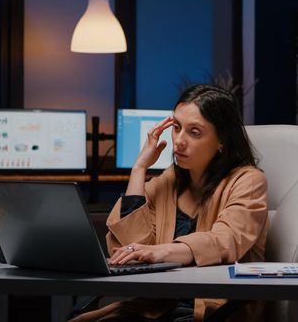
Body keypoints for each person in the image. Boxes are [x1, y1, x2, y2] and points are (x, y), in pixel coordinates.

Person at [71, 85, 268, 322]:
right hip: (156, 305)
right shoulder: (169, 179)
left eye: (194, 132)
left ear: (221, 141)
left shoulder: (248, 181)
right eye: (176, 127)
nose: (179, 141)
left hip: (214, 308)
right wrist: (139, 168)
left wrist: (163, 250)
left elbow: (226, 240)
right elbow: (132, 244)